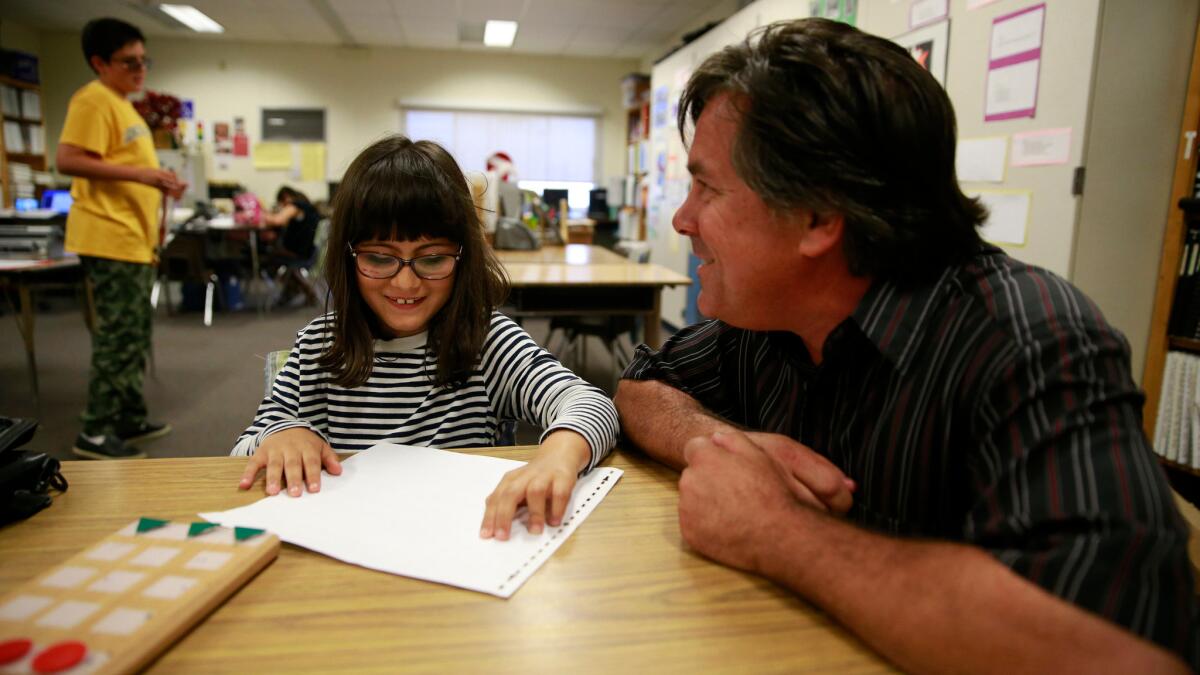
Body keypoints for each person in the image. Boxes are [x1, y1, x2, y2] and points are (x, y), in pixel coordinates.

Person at [615, 18, 1198, 673]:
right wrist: (713, 441)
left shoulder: (1033, 340)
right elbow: (639, 385)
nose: (681, 218)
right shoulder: (769, 321)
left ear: (818, 217)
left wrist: (777, 530)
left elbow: (1125, 653)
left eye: (708, 188)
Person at [232, 135, 619, 540]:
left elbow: (591, 403)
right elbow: (244, 448)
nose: (405, 281)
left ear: (463, 256)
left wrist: (557, 456)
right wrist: (281, 435)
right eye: (379, 258)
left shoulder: (487, 343)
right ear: (347, 258)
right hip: (346, 546)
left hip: (458, 544)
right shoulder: (319, 346)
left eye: (432, 258)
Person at [57, 18, 185, 460]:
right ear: (99, 63)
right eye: (128, 62)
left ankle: (127, 417)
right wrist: (144, 173)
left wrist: (158, 181)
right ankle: (93, 432)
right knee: (117, 336)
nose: (139, 69)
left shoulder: (123, 106)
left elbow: (125, 169)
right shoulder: (92, 100)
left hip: (133, 239)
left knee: (134, 333)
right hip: (108, 236)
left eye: (143, 60)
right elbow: (68, 158)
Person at [259, 186, 322, 306]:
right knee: (277, 257)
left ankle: (297, 290)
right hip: (308, 250)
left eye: (281, 203)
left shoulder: (295, 206)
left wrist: (259, 214)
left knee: (269, 255)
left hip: (299, 253)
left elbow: (278, 220)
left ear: (286, 197)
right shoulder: (308, 207)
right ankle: (292, 289)